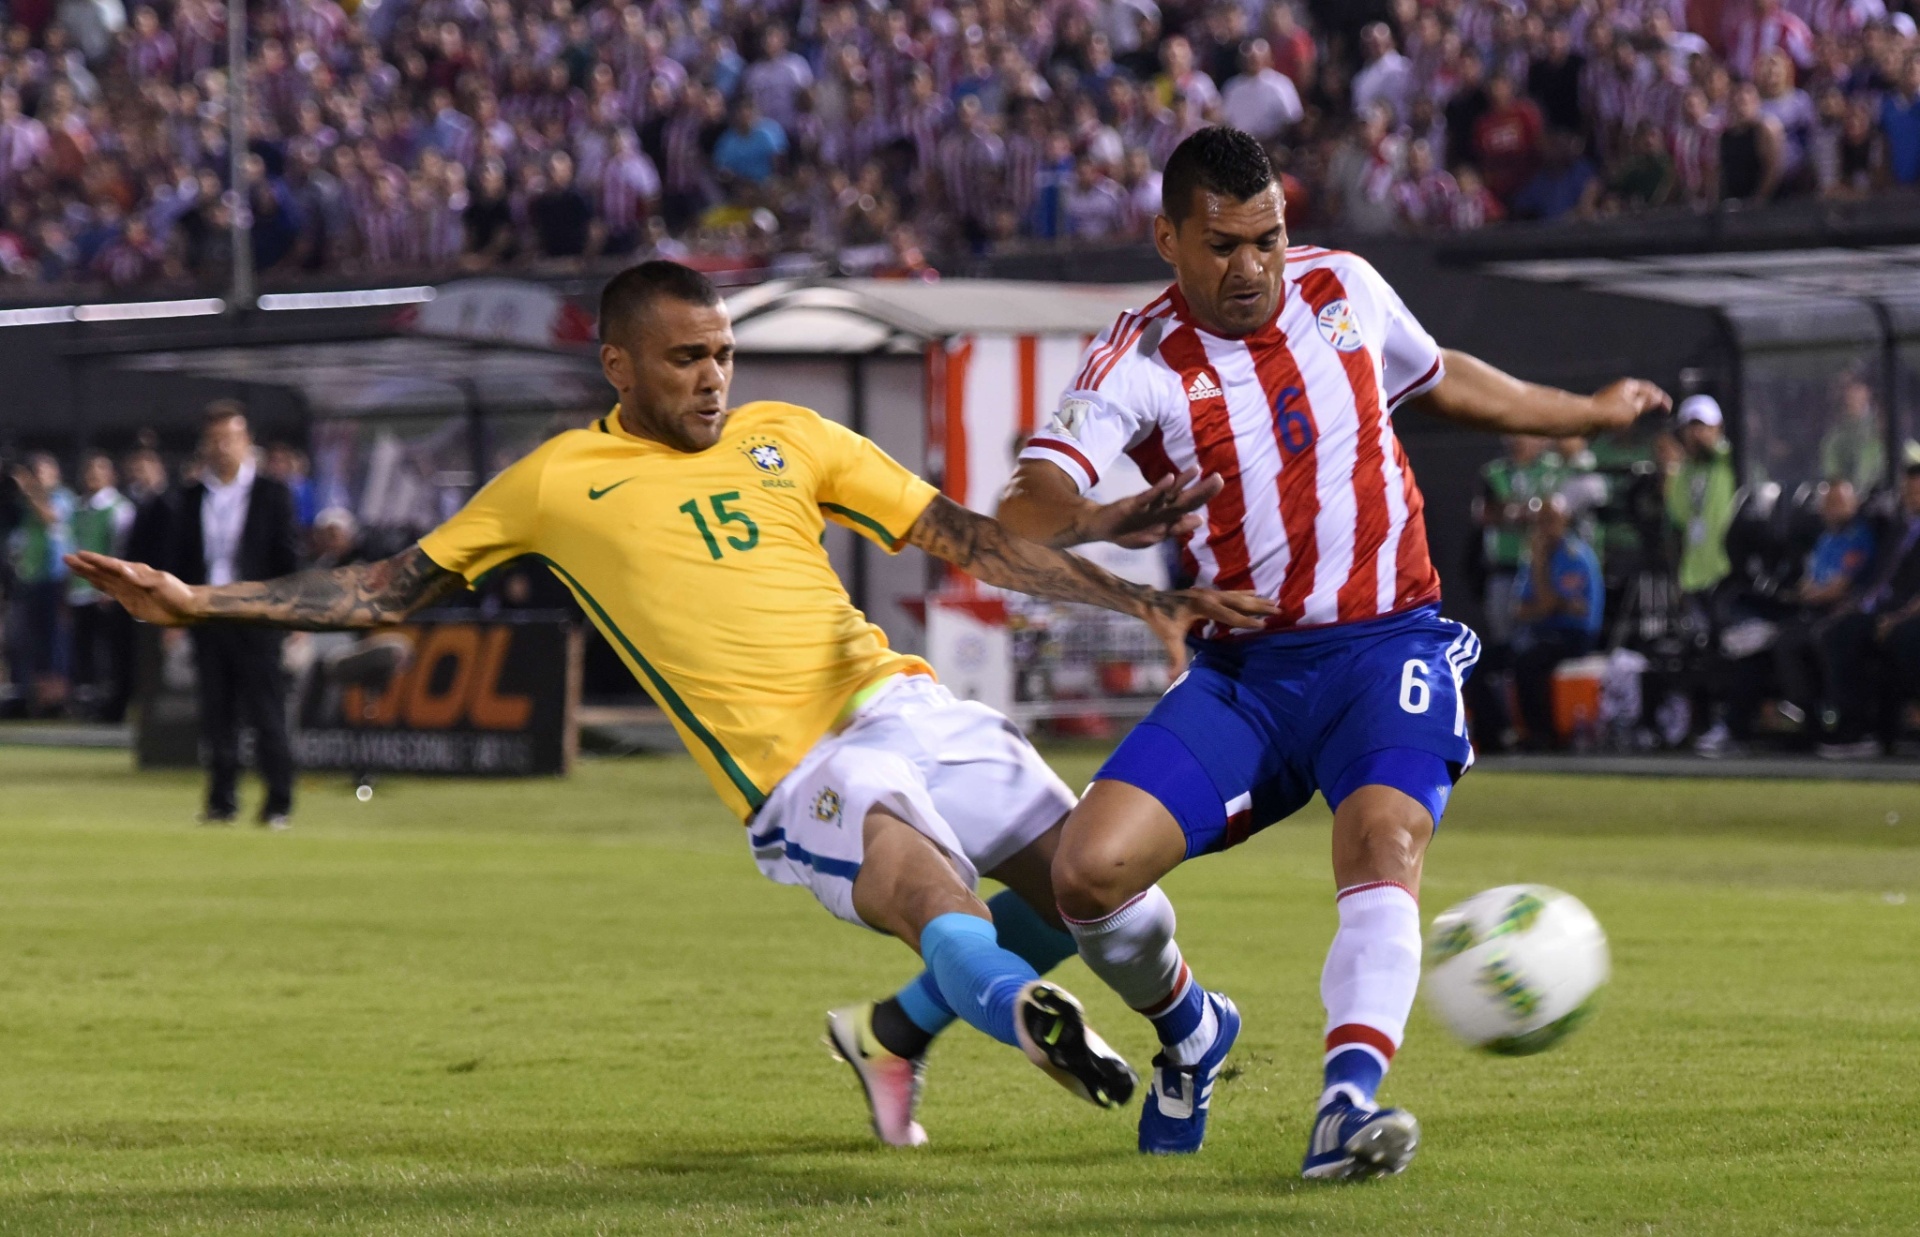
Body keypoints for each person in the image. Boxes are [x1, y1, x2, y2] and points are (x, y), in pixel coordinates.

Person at [69, 261, 1275, 1148]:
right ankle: (1020, 1011)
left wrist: (1133, 596)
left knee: (1102, 898)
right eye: (687, 360)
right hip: (796, 768)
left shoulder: (788, 434)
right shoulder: (555, 481)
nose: (711, 379)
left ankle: (1181, 1025)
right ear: (620, 367)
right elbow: (387, 588)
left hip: (906, 702)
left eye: (723, 356)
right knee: (927, 890)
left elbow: (967, 537)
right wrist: (200, 602)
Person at [996, 127, 1668, 1177]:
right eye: (1222, 245)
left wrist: (1580, 411)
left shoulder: (1343, 286)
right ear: (1167, 237)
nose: (1252, 267)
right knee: (1086, 873)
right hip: (1246, 680)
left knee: (1383, 843)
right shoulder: (1137, 361)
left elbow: (1439, 376)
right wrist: (1108, 513)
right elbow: (1028, 507)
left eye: (1268, 237)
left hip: (1386, 642)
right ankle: (1194, 1031)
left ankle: (1346, 1107)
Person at [167, 403, 302, 826]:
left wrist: (293, 613)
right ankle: (221, 801)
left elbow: (287, 558)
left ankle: (278, 802)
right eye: (216, 439)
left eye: (231, 437)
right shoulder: (191, 497)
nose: (223, 447)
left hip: (256, 617)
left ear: (248, 442)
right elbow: (181, 560)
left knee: (266, 713)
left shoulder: (271, 493)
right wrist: (175, 618)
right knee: (216, 715)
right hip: (208, 616)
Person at [1816, 461, 1920, 758]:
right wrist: (1856, 608)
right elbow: (1880, 581)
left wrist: (1895, 619)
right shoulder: (1900, 529)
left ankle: (1883, 729)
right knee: (1838, 631)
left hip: (1908, 616)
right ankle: (1854, 730)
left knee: (1901, 639)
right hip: (1883, 610)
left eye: (1918, 492)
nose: (1912, 498)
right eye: (1908, 492)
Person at [1771, 479, 1874, 740]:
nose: (1834, 509)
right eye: (1829, 503)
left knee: (1824, 638)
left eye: (1840, 502)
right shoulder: (1826, 539)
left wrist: (1809, 594)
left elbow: (1838, 588)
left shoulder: (1859, 537)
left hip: (1846, 613)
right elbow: (1807, 581)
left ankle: (1844, 721)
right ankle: (1808, 717)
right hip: (1818, 612)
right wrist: (1804, 594)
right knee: (1785, 640)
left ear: (1854, 504)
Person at [1665, 395, 1738, 751]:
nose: (1697, 435)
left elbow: (1724, 453)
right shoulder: (1684, 474)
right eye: (1691, 427)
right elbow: (1680, 517)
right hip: (1694, 576)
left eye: (1704, 427)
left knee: (1726, 651)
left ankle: (1728, 724)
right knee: (1700, 654)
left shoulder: (1728, 462)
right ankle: (1701, 724)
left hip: (1724, 572)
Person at [1511, 494, 1604, 749]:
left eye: (1550, 521)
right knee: (1485, 660)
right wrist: (1548, 605)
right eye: (1539, 522)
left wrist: (1541, 570)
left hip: (1575, 634)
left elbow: (1549, 606)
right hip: (1543, 631)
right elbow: (1520, 609)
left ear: (1564, 522)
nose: (1544, 528)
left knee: (1530, 662)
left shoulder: (1575, 556)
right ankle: (1492, 736)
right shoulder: (1532, 557)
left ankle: (1543, 736)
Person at [66, 451, 134, 719]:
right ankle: (86, 701)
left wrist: (111, 587)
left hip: (103, 593)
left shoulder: (120, 508)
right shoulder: (79, 509)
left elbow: (121, 549)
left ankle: (110, 702)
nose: (93, 477)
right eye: (89, 472)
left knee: (107, 652)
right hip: (79, 592)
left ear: (111, 475)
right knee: (84, 652)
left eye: (99, 471)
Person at [6, 452, 75, 716]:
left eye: (42, 473)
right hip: (30, 580)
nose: (37, 478)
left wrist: (30, 490)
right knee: (29, 642)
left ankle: (56, 702)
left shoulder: (63, 498)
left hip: (55, 579)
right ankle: (34, 698)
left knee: (55, 641)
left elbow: (51, 518)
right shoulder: (23, 506)